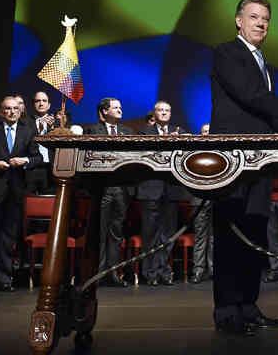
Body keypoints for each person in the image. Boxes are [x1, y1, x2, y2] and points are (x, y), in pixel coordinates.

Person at [209, 0, 278, 336]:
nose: (261, 23)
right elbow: (251, 96)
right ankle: (227, 311)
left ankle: (248, 305)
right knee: (231, 233)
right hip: (232, 157)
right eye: (254, 17)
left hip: (261, 159)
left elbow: (268, 113)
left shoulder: (266, 64)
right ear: (238, 21)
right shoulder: (226, 53)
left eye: (265, 18)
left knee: (255, 232)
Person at [0, 96, 43, 292]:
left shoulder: (28, 130)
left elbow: (37, 157)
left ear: (20, 111)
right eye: (7, 109)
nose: (12, 112)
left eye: (15, 108)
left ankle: (4, 278)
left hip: (15, 191)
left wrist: (26, 161)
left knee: (8, 237)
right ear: (0, 112)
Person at [90, 97, 136, 287]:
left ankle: (113, 274)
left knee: (116, 233)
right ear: (104, 111)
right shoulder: (93, 131)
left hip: (122, 189)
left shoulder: (128, 132)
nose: (120, 110)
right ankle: (99, 274)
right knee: (100, 233)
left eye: (120, 107)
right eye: (115, 107)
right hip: (103, 188)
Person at [136, 100, 182, 286]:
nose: (163, 113)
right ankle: (150, 273)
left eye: (167, 110)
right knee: (150, 234)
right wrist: (164, 142)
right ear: (154, 114)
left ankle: (164, 270)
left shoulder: (180, 132)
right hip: (150, 189)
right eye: (160, 110)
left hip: (172, 190)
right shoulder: (143, 133)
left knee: (169, 234)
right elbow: (143, 158)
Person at [190, 122, 214, 283]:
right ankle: (198, 270)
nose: (206, 134)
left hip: (216, 198)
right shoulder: (194, 153)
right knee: (200, 237)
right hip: (198, 200)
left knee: (214, 237)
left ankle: (214, 269)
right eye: (204, 131)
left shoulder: (219, 152)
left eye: (209, 132)